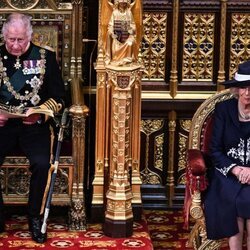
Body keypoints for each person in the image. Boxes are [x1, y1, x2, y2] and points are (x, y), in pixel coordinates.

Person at [0, 13, 65, 243]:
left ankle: (35, 217)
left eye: (20, 40)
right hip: (3, 125)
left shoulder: (45, 57)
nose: (15, 45)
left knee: (41, 163)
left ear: (29, 36)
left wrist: (40, 113)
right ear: (4, 36)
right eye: (10, 40)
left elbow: (59, 97)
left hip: (34, 126)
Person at [204, 60, 250, 249]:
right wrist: (236, 169)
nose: (248, 93)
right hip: (228, 175)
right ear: (237, 90)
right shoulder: (224, 110)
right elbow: (215, 150)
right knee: (233, 202)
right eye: (243, 88)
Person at [105, 0, 137, 65]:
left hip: (127, 37)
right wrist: (112, 33)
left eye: (124, 4)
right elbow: (110, 26)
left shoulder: (129, 13)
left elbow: (133, 25)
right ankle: (116, 60)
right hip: (117, 37)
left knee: (130, 43)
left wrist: (131, 30)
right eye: (121, 4)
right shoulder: (115, 13)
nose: (123, 5)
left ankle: (127, 60)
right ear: (118, 3)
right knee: (115, 46)